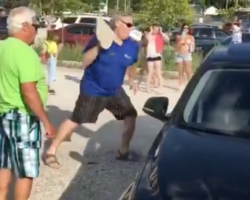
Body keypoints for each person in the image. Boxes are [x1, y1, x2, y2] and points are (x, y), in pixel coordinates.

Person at [43, 14, 140, 168]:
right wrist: (100, 46)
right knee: (76, 120)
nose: (131, 28)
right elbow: (85, 62)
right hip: (93, 89)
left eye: (132, 25)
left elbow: (132, 63)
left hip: (114, 90)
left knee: (130, 115)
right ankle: (51, 151)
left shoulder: (133, 46)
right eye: (128, 24)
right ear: (117, 24)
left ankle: (123, 151)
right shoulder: (99, 39)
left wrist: (133, 80)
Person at [0, 7, 55, 200]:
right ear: (24, 27)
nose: (37, 31)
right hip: (22, 116)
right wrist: (46, 121)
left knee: (4, 165)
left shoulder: (2, 47)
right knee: (25, 170)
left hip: (3, 114)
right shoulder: (24, 52)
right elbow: (29, 91)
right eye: (35, 26)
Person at [145, 24, 169, 93]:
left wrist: (161, 32)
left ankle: (161, 88)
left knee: (158, 72)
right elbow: (147, 38)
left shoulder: (159, 36)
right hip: (150, 56)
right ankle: (147, 87)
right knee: (150, 72)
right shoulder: (149, 35)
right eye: (155, 29)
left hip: (157, 55)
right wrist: (151, 31)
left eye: (157, 29)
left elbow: (167, 39)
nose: (156, 30)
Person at [175, 23, 195, 89]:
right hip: (179, 54)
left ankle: (190, 85)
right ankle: (180, 85)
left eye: (187, 28)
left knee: (188, 71)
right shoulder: (179, 37)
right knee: (180, 71)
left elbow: (193, 47)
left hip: (187, 54)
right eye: (184, 28)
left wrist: (189, 45)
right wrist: (181, 41)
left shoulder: (191, 37)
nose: (186, 29)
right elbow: (176, 47)